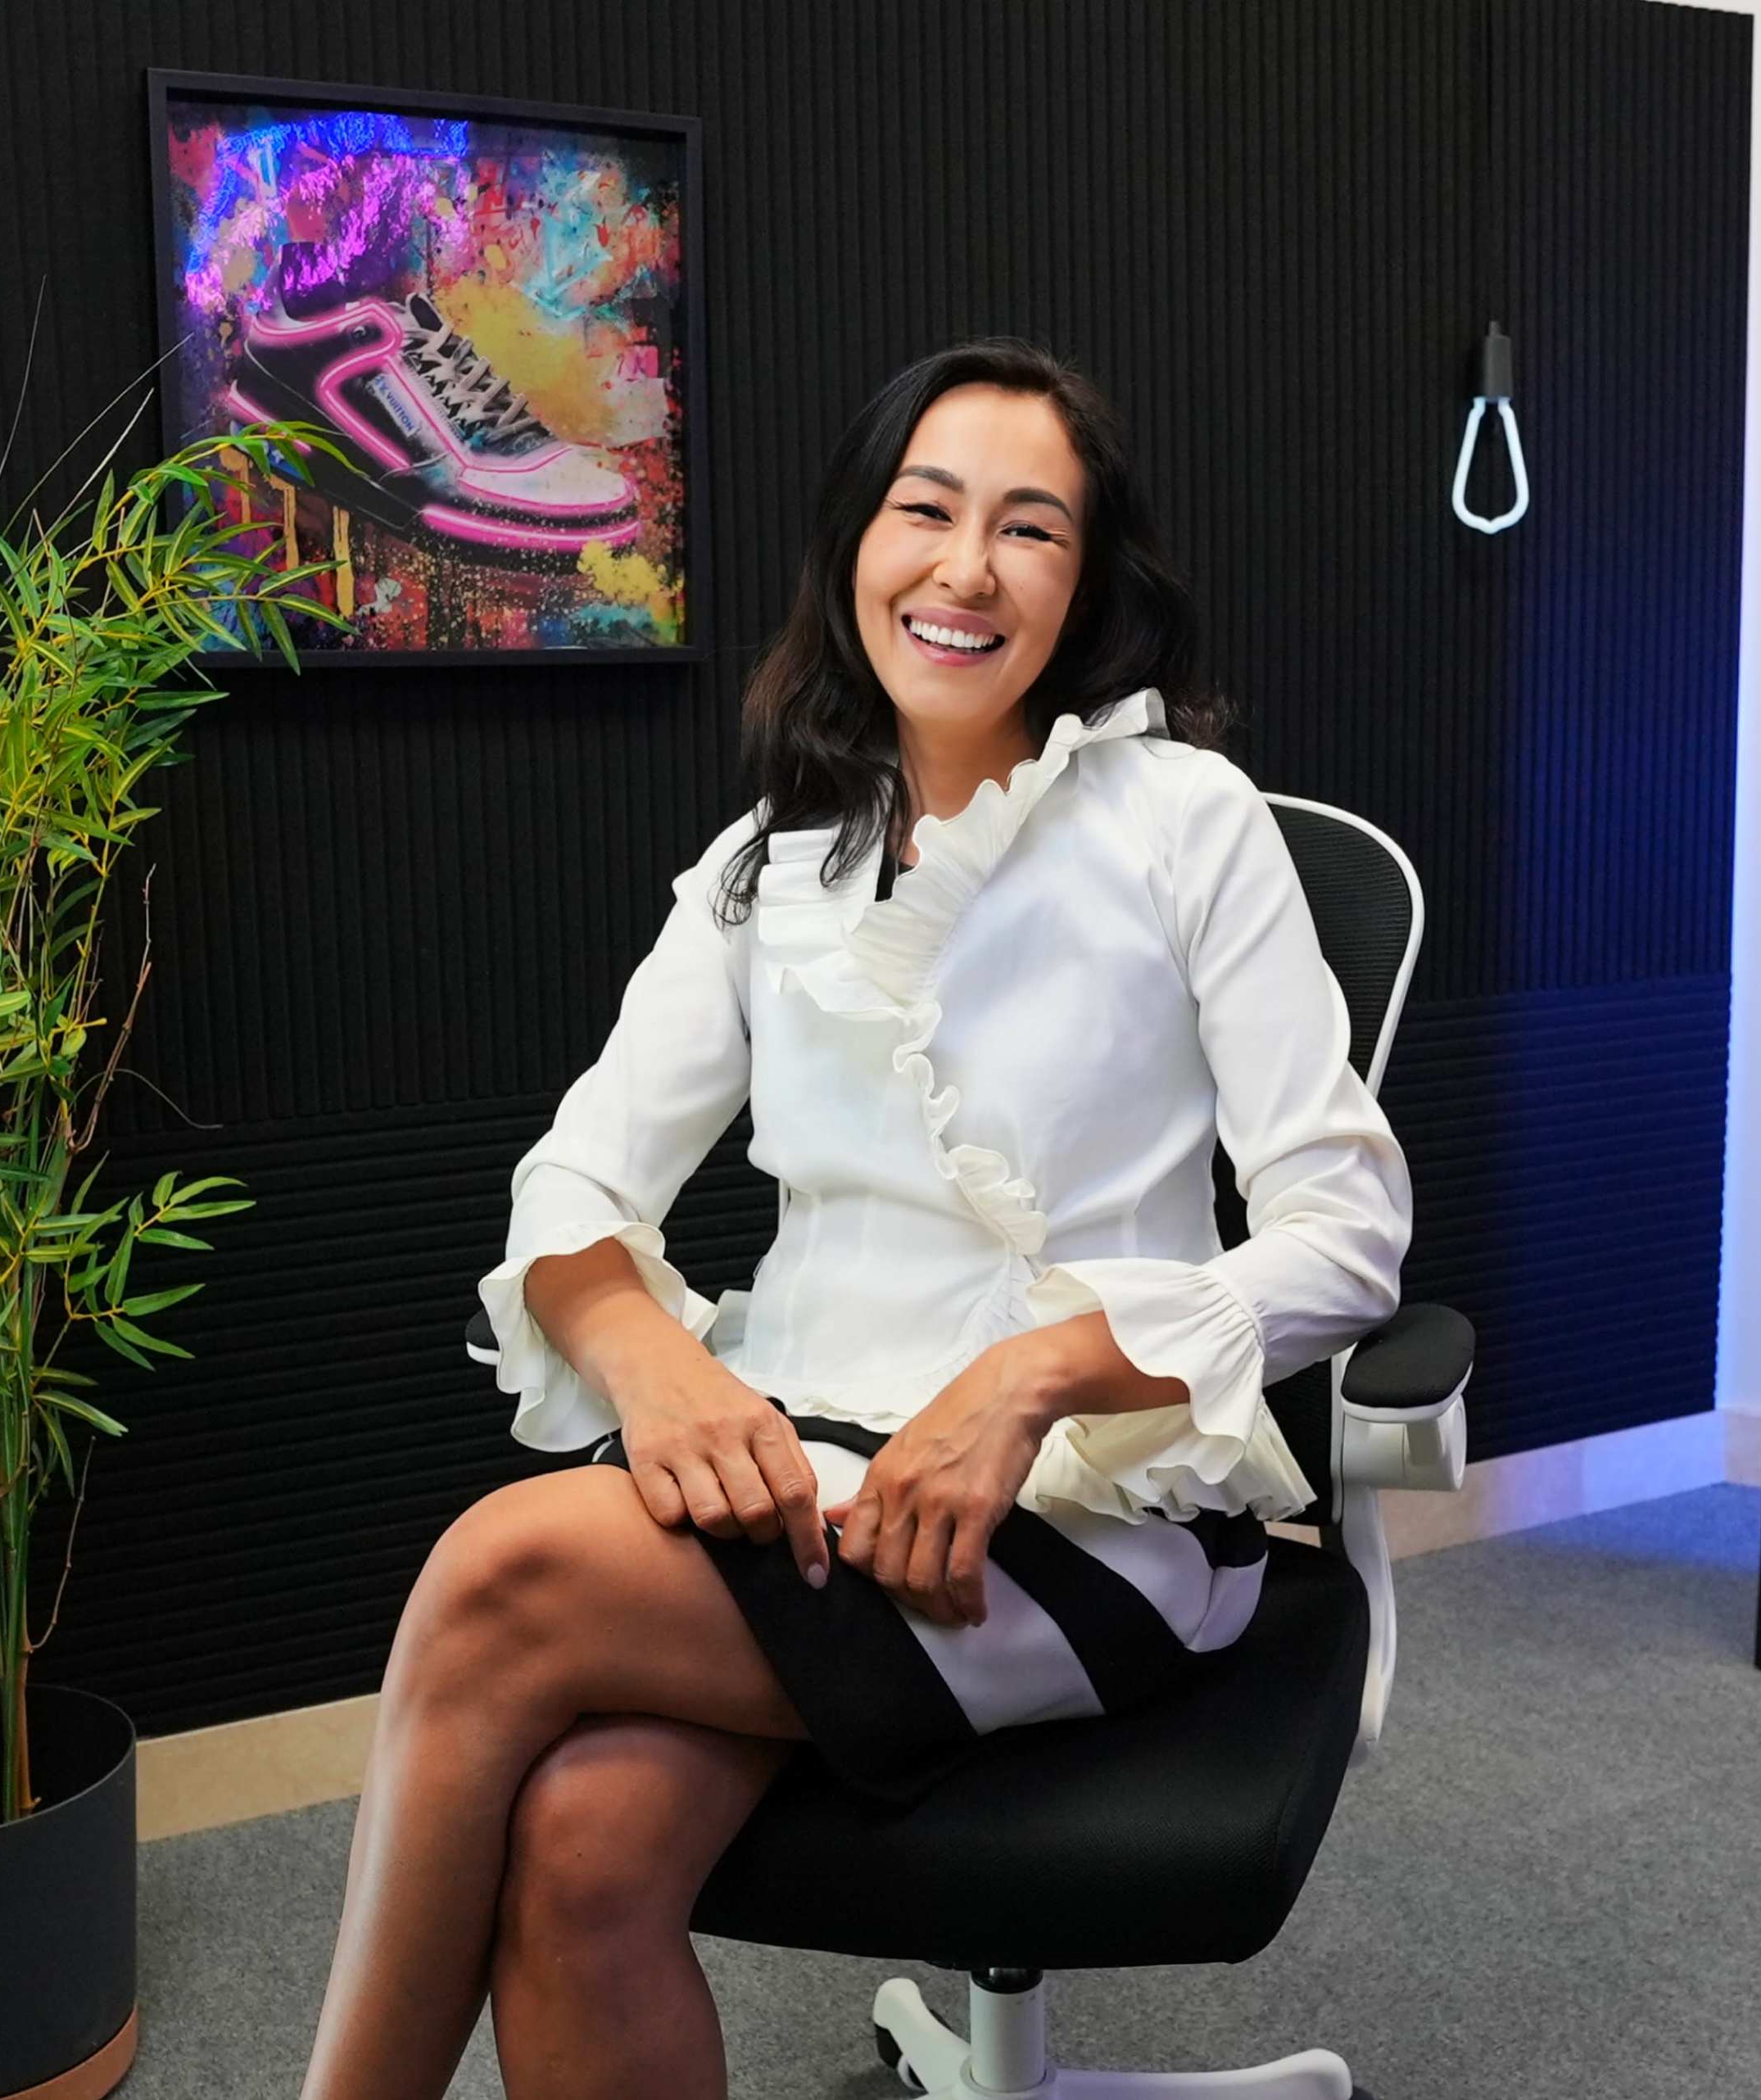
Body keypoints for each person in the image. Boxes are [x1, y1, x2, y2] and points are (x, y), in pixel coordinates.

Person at [297, 338, 1414, 2100]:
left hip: (1084, 1515)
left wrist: (1031, 1377)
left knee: (498, 1575)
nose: (967, 569)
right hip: (806, 1483)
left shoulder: (1185, 821)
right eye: (926, 511)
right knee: (581, 1851)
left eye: (1028, 529)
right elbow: (574, 1185)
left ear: (1086, 584)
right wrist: (652, 1361)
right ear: (856, 547)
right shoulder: (770, 862)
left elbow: (1348, 1232)